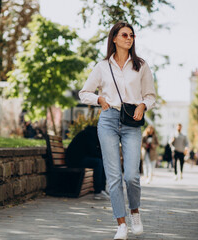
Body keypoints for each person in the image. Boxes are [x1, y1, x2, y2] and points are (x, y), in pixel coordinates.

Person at [79, 21, 156, 239]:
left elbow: (150, 96)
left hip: (132, 120)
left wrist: (143, 105)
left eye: (131, 35)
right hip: (108, 120)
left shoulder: (140, 65)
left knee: (131, 175)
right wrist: (99, 99)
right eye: (124, 35)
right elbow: (84, 93)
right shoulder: (102, 66)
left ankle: (135, 212)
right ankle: (121, 224)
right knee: (113, 177)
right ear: (114, 38)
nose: (129, 38)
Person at [65, 126, 108, 200]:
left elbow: (94, 152)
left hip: (79, 158)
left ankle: (102, 190)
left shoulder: (92, 134)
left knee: (101, 162)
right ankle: (98, 191)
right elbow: (93, 152)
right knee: (98, 162)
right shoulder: (90, 135)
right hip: (75, 160)